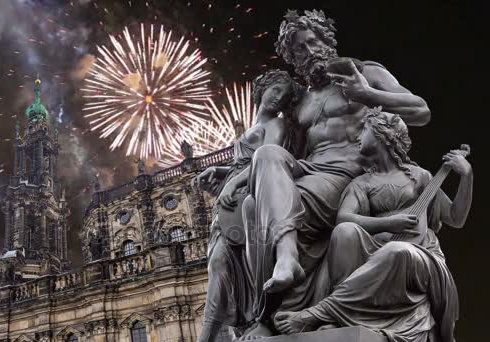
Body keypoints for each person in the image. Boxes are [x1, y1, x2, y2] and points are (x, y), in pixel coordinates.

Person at [239, 9, 431, 339]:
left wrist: (368, 94)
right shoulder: (299, 102)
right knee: (257, 185)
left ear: (328, 41)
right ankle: (282, 270)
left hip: (348, 174)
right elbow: (267, 138)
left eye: (313, 41)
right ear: (293, 60)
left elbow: (420, 111)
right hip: (309, 171)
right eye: (299, 49)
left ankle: (281, 297)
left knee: (260, 208)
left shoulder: (366, 72)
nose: (309, 51)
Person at [273, 108, 472, 342]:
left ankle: (318, 312)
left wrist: (466, 176)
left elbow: (456, 218)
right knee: (345, 232)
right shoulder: (362, 183)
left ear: (382, 134)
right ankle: (341, 317)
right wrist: (389, 222)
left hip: (419, 257)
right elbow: (344, 218)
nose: (358, 137)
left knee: (397, 251)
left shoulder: (420, 177)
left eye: (364, 129)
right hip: (377, 252)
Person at [194, 70, 302, 342]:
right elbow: (242, 161)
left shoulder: (276, 126)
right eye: (275, 90)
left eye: (285, 96)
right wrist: (219, 171)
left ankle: (256, 318)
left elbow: (265, 158)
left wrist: (231, 183)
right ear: (261, 89)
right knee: (218, 264)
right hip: (230, 200)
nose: (278, 98)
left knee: (240, 262)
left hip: (251, 192)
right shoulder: (256, 125)